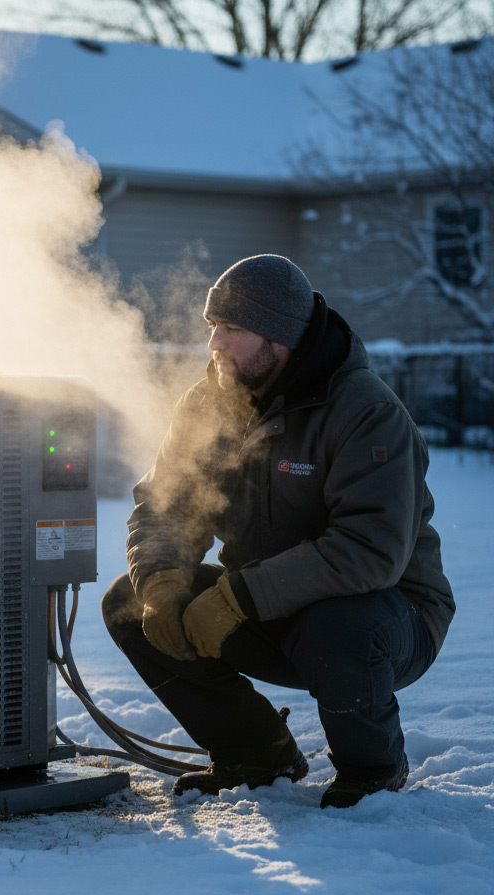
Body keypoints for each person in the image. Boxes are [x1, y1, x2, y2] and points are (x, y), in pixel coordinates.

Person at [102, 254, 455, 808]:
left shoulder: (364, 411)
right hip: (268, 611)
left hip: (391, 616)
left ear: (281, 337)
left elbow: (370, 551)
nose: (214, 343)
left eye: (233, 329)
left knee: (339, 625)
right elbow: (163, 507)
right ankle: (256, 754)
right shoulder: (206, 406)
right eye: (212, 327)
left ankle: (373, 770)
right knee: (130, 603)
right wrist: (164, 583)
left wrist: (238, 597)